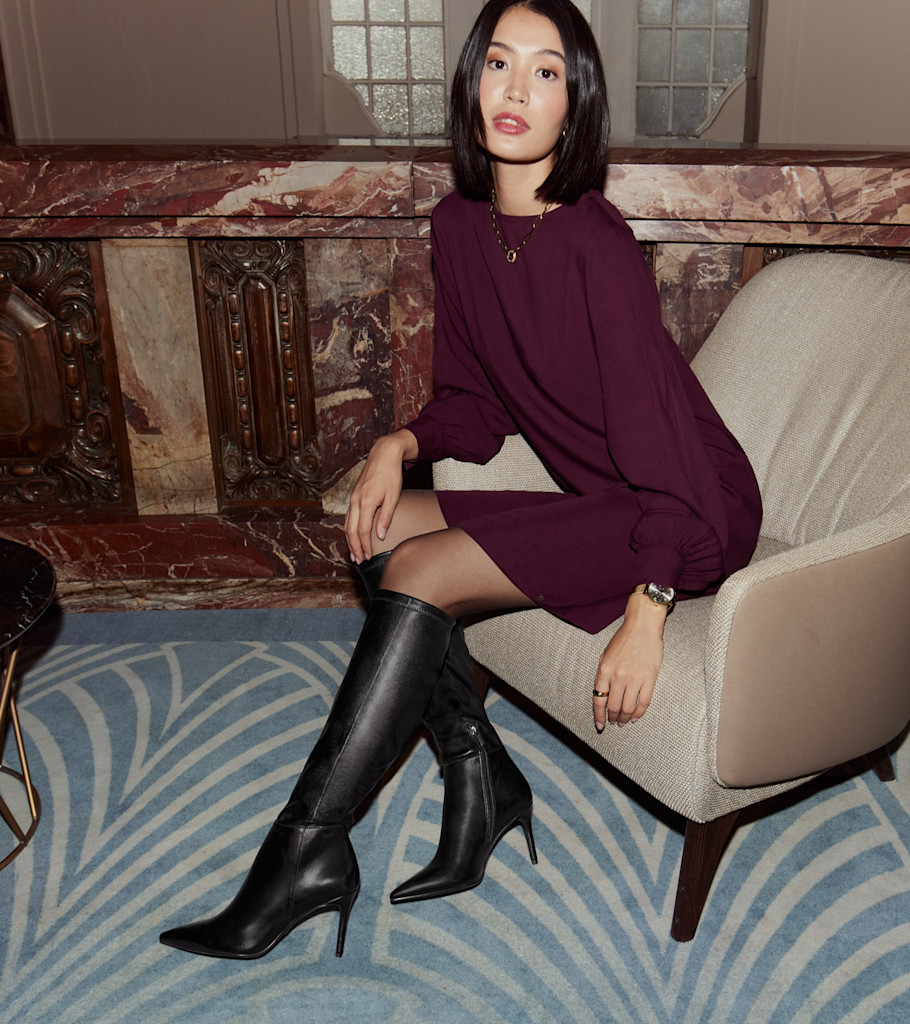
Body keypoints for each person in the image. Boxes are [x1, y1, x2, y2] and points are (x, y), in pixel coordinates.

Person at [159, 0, 761, 961]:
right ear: (472, 81)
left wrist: (651, 605)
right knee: (382, 523)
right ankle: (480, 779)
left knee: (420, 572)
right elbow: (476, 404)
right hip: (600, 501)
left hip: (686, 506)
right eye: (499, 64)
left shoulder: (599, 247)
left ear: (578, 105)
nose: (518, 89)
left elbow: (664, 450)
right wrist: (397, 442)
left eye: (548, 72)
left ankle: (304, 855)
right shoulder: (460, 225)